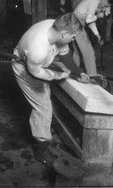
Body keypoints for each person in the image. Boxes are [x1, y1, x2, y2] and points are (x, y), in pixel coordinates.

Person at [11, 13, 89, 165]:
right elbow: (37, 72)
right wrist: (59, 75)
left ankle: (43, 128)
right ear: (65, 34)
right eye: (73, 37)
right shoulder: (37, 48)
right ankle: (41, 148)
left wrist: (78, 72)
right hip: (25, 68)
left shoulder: (57, 27)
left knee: (46, 97)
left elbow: (65, 56)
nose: (73, 40)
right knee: (43, 107)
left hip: (39, 64)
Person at [73, 0, 111, 76]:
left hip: (75, 23)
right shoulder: (94, 1)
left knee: (77, 51)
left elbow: (90, 22)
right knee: (89, 52)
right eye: (104, 6)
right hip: (77, 24)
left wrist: (97, 35)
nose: (102, 9)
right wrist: (97, 16)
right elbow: (88, 19)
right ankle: (93, 76)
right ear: (104, 1)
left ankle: (73, 72)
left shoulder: (92, 1)